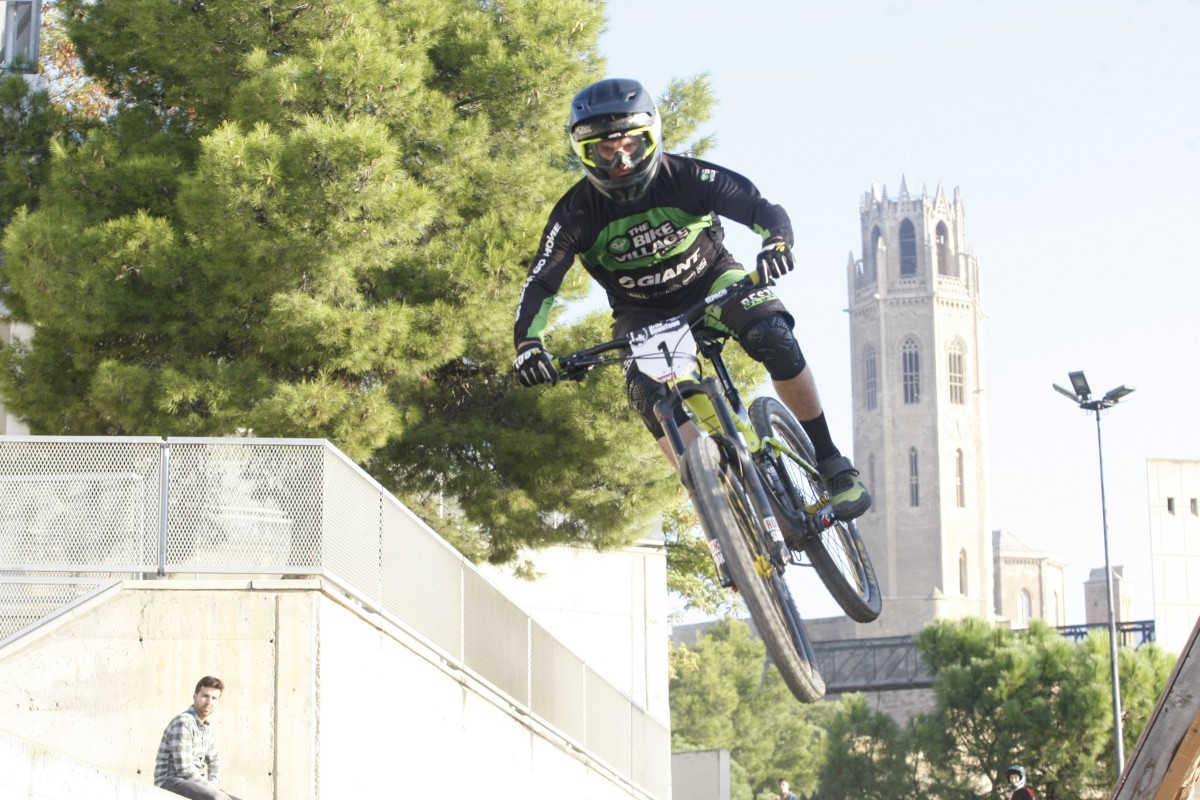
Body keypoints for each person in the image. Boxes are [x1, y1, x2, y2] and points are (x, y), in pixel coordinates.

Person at [512, 77, 870, 521]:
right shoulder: (574, 213)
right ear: (584, 153)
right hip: (641, 311)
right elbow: (541, 282)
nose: (621, 161)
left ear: (652, 137)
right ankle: (716, 506)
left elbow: (759, 207)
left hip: (713, 280)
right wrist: (528, 345)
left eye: (630, 145)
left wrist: (776, 241)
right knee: (645, 394)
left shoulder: (685, 177)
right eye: (605, 151)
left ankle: (831, 460)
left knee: (771, 336)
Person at [154, 676, 246, 800]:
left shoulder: (206, 728)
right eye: (205, 696)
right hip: (170, 782)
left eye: (214, 698)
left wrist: (213, 785)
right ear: (195, 696)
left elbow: (215, 761)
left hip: (195, 784)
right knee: (216, 798)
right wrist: (213, 791)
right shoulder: (183, 723)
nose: (209, 702)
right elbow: (184, 769)